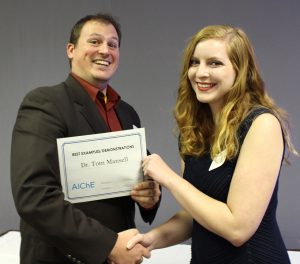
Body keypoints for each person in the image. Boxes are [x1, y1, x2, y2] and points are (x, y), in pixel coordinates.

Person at [126, 25, 298, 263]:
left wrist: (169, 178)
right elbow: (195, 213)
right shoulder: (193, 132)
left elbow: (238, 229)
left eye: (214, 63)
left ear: (241, 70)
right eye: (195, 62)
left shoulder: (262, 124)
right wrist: (153, 238)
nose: (200, 73)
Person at [10, 13, 161, 264]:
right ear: (71, 50)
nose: (105, 50)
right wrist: (109, 244)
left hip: (121, 255)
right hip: (61, 257)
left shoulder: (126, 112)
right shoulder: (46, 103)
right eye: (94, 41)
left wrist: (150, 197)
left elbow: (139, 179)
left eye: (113, 44)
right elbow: (33, 195)